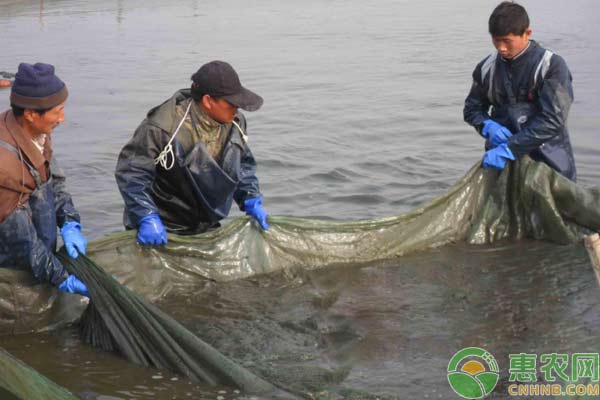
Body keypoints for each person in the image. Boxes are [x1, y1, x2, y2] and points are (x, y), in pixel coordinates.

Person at [115, 60, 270, 245]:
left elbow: (242, 164)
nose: (236, 108)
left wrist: (251, 199)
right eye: (230, 103)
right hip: (162, 228)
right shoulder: (162, 128)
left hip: (206, 224)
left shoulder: (236, 122)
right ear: (208, 101)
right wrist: (146, 217)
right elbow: (132, 174)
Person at [0, 62, 89, 296]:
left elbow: (54, 182)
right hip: (10, 270)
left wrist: (70, 223)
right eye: (57, 111)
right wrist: (59, 277)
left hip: (37, 257)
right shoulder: (4, 166)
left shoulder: (36, 134)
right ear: (30, 114)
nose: (62, 118)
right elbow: (21, 242)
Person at [463, 1, 577, 181]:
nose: (501, 48)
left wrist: (510, 148)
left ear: (527, 34)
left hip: (549, 160)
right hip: (501, 161)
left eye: (507, 41)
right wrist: (487, 125)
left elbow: (553, 120)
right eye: (496, 40)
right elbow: (471, 110)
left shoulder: (552, 66)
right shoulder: (486, 68)